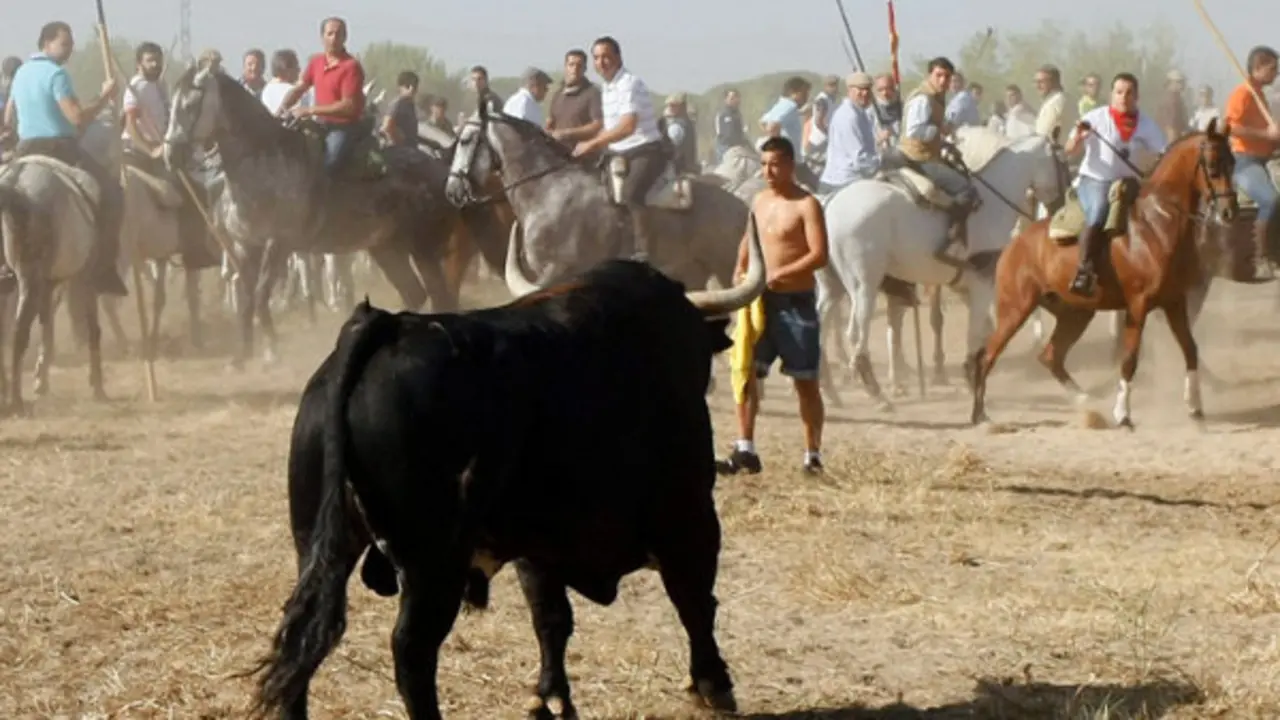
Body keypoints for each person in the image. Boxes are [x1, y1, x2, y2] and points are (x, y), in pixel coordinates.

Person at [718, 136, 829, 476]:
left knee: (805, 382)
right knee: (746, 372)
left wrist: (780, 272)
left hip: (795, 304)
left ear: (791, 165)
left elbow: (818, 255)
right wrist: (740, 267)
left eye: (775, 164)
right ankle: (744, 448)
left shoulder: (806, 205)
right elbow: (748, 240)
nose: (768, 171)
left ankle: (812, 455)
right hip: (759, 302)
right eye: (764, 164)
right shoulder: (760, 200)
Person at [0, 21, 126, 296]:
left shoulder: (20, 73)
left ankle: (5, 265)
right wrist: (104, 97)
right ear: (46, 43)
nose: (70, 50)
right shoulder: (57, 74)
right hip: (59, 148)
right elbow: (77, 118)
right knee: (113, 194)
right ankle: (103, 268)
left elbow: (8, 119)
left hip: (24, 149)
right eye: (64, 44)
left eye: (70, 44)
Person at [1063, 72, 1167, 296]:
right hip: (1095, 180)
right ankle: (1084, 270)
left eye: (1129, 93)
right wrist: (1079, 138)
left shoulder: (1147, 124)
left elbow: (1163, 153)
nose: (1124, 97)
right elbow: (1069, 150)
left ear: (1137, 96)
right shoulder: (1095, 118)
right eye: (1119, 92)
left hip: (1130, 183)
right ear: (1112, 94)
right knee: (1099, 210)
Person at [572, 36, 665, 260]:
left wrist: (593, 143)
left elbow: (628, 126)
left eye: (606, 56)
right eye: (596, 58)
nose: (601, 62)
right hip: (618, 150)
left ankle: (644, 252)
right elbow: (611, 129)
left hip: (644, 148)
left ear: (618, 57)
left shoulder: (629, 83)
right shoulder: (607, 87)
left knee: (631, 194)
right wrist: (585, 147)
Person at [898, 56, 978, 268]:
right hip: (918, 158)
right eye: (939, 75)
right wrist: (939, 130)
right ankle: (950, 244)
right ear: (930, 75)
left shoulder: (937, 97)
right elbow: (914, 130)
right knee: (966, 189)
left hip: (928, 153)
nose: (943, 80)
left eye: (947, 76)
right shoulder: (923, 99)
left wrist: (941, 139)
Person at [276, 17, 367, 176]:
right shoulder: (316, 62)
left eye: (338, 34)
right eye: (330, 34)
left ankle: (327, 199)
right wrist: (281, 110)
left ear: (345, 37)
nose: (333, 38)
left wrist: (310, 110)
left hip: (343, 128)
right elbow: (299, 89)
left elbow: (348, 106)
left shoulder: (351, 67)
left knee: (329, 164)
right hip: (319, 124)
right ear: (322, 37)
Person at [1224, 45, 1280, 279]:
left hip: (1264, 159)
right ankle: (1260, 258)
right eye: (1273, 69)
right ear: (1258, 68)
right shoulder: (1243, 93)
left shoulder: (1260, 95)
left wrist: (1274, 142)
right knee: (1270, 199)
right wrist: (1266, 135)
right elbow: (1231, 126)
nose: (1276, 74)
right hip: (1244, 161)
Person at [817, 71, 881, 194]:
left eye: (868, 89)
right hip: (843, 183)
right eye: (860, 89)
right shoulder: (849, 117)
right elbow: (859, 158)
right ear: (850, 90)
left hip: (845, 181)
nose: (865, 93)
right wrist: (882, 160)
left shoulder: (860, 113)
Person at [121, 42, 169, 173]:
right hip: (136, 151)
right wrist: (150, 151)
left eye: (158, 60)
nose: (154, 64)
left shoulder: (160, 85)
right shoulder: (136, 86)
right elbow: (130, 126)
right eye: (149, 61)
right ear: (139, 64)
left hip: (158, 147)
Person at [546, 48, 603, 151]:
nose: (575, 69)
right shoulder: (558, 94)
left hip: (583, 155)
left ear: (585, 68)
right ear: (565, 67)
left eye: (579, 65)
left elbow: (598, 125)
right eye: (571, 65)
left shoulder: (593, 93)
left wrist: (567, 133)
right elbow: (550, 123)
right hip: (558, 154)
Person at [760, 76, 811, 155]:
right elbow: (771, 127)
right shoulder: (791, 106)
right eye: (804, 94)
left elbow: (762, 122)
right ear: (792, 92)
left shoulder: (782, 104)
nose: (806, 98)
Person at [657, 92, 697, 174]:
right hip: (685, 167)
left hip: (676, 169)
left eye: (673, 105)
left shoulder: (677, 126)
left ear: (681, 106)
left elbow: (669, 149)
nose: (670, 108)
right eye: (669, 105)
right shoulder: (686, 122)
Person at [260, 49, 307, 117]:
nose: (299, 69)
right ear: (286, 69)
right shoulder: (294, 92)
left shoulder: (266, 90)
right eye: (296, 66)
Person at [380, 70, 419, 147]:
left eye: (414, 86)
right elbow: (387, 125)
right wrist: (398, 140)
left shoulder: (410, 106)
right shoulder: (398, 104)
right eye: (408, 86)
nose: (411, 89)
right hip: (397, 150)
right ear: (400, 87)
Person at [713, 88, 749, 161]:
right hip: (725, 148)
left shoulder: (738, 115)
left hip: (737, 149)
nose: (735, 100)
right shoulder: (723, 115)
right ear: (726, 100)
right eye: (731, 98)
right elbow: (726, 135)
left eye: (736, 97)